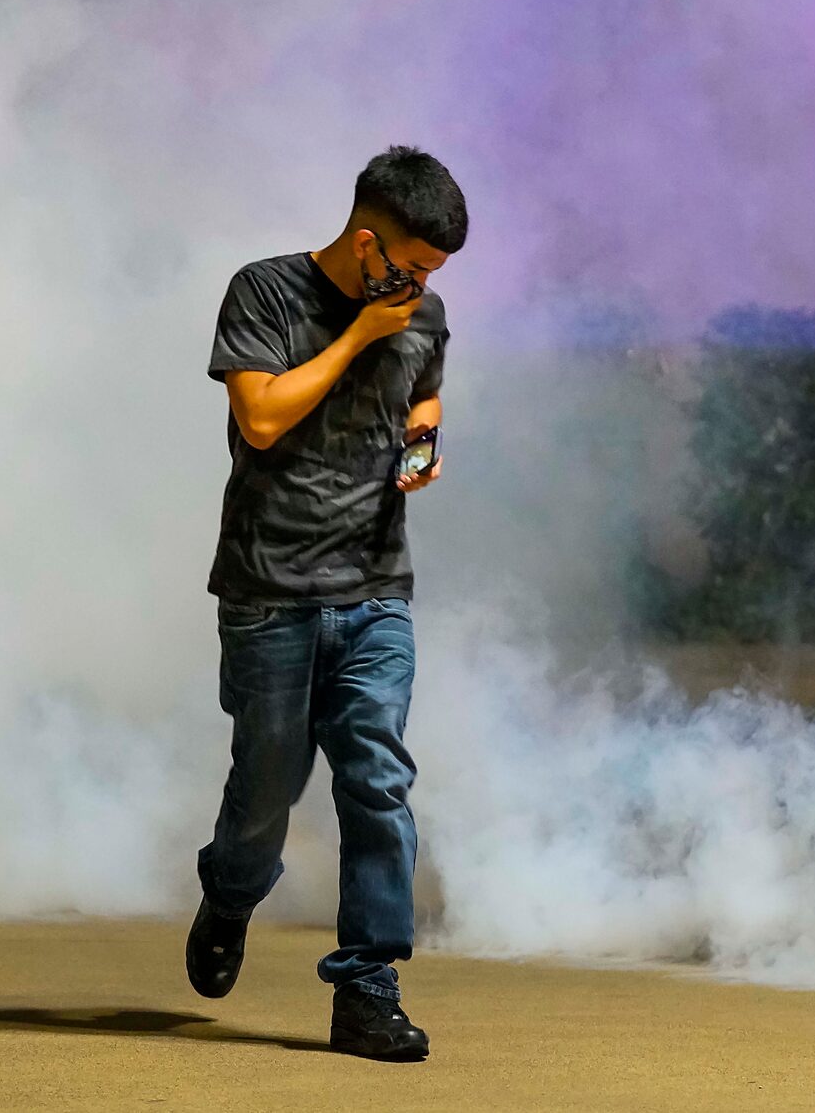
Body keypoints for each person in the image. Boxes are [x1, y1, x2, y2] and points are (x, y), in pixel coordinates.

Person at [187, 144, 467, 1062]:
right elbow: (260, 418)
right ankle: (230, 894)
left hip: (376, 590)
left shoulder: (422, 317)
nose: (422, 286)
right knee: (267, 786)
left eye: (434, 275)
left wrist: (421, 450)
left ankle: (368, 987)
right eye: (414, 267)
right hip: (270, 592)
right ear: (366, 242)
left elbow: (422, 403)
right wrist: (355, 337)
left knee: (377, 780)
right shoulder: (265, 293)